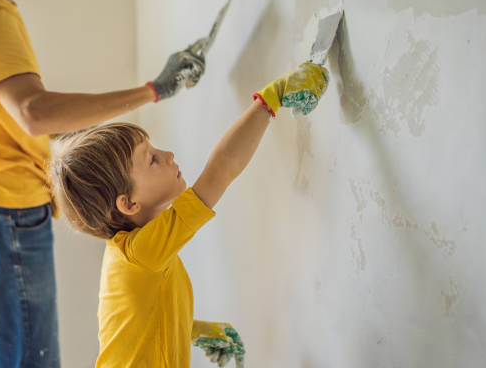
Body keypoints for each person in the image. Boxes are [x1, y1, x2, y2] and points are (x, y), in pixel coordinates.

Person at [0, 0, 205, 366]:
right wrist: (153, 90)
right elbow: (34, 113)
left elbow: (23, 121)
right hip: (5, 212)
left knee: (14, 356)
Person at [48, 62, 329, 367]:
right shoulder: (142, 253)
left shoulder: (133, 252)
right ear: (128, 204)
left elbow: (137, 321)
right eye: (152, 160)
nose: (168, 156)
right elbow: (221, 169)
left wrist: (190, 329)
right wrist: (271, 98)